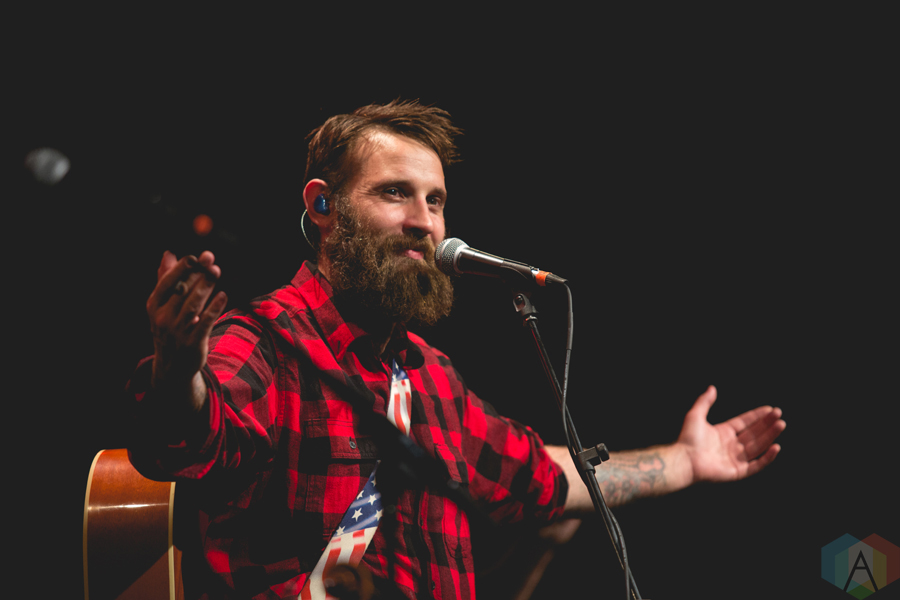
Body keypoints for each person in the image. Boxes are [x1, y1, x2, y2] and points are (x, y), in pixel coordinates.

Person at [127, 100, 786, 600]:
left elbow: (543, 478)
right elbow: (187, 437)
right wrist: (179, 370)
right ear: (323, 206)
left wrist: (688, 460)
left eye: (436, 200)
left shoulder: (431, 377)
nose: (425, 222)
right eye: (395, 192)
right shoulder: (268, 339)